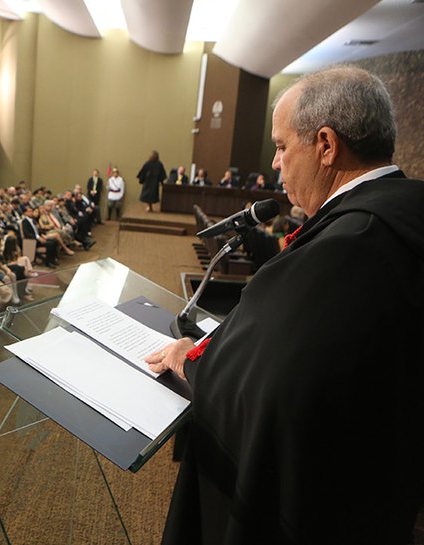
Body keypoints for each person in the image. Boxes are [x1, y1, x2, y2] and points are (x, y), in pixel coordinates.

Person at [145, 66, 424, 544]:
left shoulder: (345, 249)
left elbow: (269, 386)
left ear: (326, 145)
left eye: (280, 146)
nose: (275, 163)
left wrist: (190, 359)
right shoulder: (405, 214)